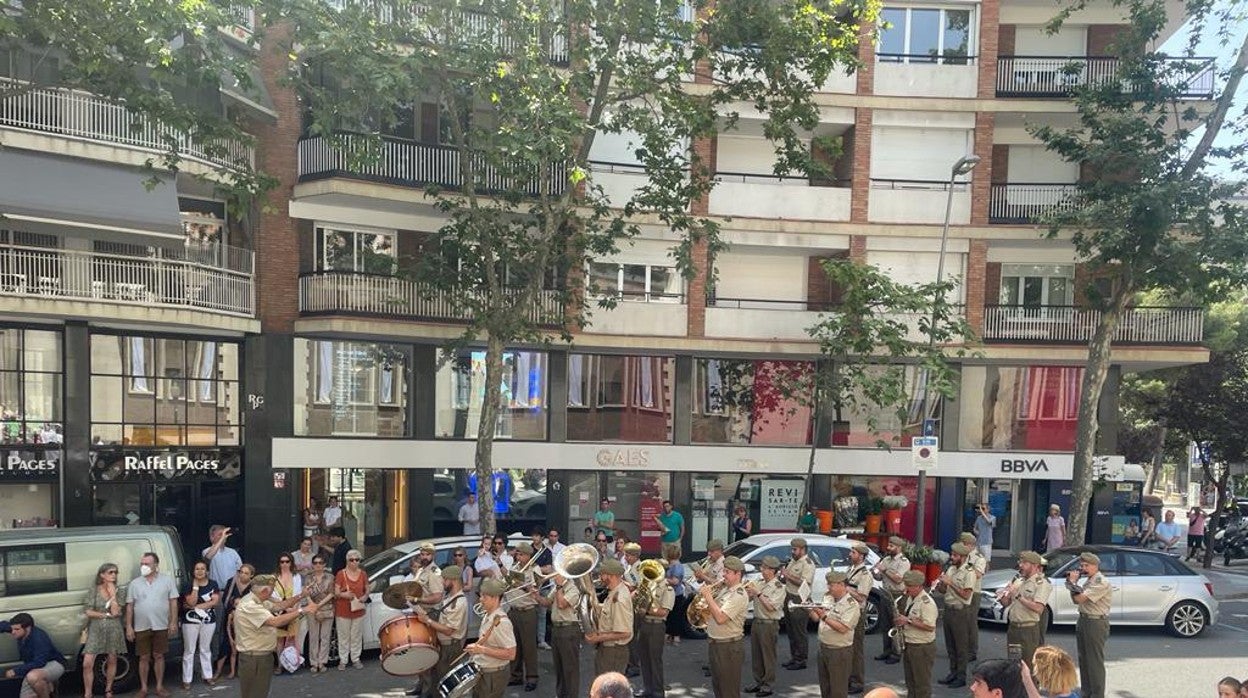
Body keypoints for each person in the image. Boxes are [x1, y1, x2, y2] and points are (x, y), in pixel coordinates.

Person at [233, 575, 317, 698]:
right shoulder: (250, 605)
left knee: (260, 693)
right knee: (255, 694)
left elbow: (279, 606)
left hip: (260, 657)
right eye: (272, 590)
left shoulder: (258, 599)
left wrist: (301, 595)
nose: (273, 594)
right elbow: (276, 622)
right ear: (264, 591)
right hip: (254, 658)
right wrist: (303, 610)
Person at [125, 551, 180, 698]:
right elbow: (129, 606)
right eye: (142, 564)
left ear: (155, 565)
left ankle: (159, 686)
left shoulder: (167, 580)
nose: (143, 566)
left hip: (161, 624)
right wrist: (129, 626)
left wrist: (173, 621)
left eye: (147, 564)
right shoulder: (135, 583)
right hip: (141, 626)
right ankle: (143, 688)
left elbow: (173, 602)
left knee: (159, 656)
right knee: (143, 657)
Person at [411, 565, 468, 698]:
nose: (442, 582)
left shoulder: (458, 603)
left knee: (449, 686)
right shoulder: (449, 597)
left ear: (453, 580)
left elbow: (449, 630)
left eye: (445, 580)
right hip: (443, 645)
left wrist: (428, 621)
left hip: (451, 647)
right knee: (438, 685)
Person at [701, 555, 749, 698]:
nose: (723, 575)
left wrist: (708, 597)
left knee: (728, 690)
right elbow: (712, 610)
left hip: (729, 647)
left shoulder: (739, 594)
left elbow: (721, 618)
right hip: (716, 644)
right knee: (719, 687)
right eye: (724, 571)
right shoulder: (725, 590)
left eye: (727, 572)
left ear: (737, 574)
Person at [1067, 551, 1112, 698]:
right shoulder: (1089, 580)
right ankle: (1086, 692)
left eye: (1086, 565)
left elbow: (1080, 598)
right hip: (1084, 619)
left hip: (1096, 622)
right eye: (1082, 565)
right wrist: (1071, 584)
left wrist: (1073, 583)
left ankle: (1097, 694)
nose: (1083, 568)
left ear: (1095, 566)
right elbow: (1075, 599)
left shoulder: (1100, 581)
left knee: (1094, 661)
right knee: (1084, 660)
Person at [999, 550, 1052, 672]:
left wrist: (1018, 596)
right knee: (1014, 663)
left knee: (1028, 665)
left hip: (1028, 630)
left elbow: (1038, 608)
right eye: (1020, 562)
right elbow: (1007, 603)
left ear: (1034, 566)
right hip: (1014, 629)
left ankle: (1030, 690)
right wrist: (1004, 595)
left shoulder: (1041, 583)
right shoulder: (1019, 581)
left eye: (1024, 563)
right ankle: (1017, 689)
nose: (1020, 565)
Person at [465, 578, 517, 698]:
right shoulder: (489, 615)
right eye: (481, 596)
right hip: (484, 672)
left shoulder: (502, 622)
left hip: (493, 675)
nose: (480, 599)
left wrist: (482, 650)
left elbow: (511, 654)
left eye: (485, 597)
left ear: (495, 598)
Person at [934, 542, 976, 689]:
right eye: (952, 554)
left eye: (955, 555)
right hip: (949, 610)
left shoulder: (969, 572)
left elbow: (966, 595)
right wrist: (941, 584)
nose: (952, 557)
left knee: (961, 646)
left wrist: (950, 583)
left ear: (963, 557)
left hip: (961, 611)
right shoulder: (951, 568)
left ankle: (961, 676)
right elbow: (944, 592)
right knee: (950, 644)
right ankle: (952, 672)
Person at [810, 570, 858, 698]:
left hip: (839, 651)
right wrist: (810, 609)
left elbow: (843, 628)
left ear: (842, 585)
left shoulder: (851, 605)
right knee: (825, 687)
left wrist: (824, 616)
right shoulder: (828, 597)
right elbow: (816, 618)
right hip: (824, 648)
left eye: (831, 585)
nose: (828, 587)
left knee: (838, 690)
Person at [540, 558, 583, 698]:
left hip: (569, 629)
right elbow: (547, 602)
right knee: (559, 666)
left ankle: (571, 695)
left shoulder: (573, 589)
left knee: (569, 667)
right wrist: (534, 594)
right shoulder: (558, 587)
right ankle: (561, 694)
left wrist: (558, 587)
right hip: (557, 629)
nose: (556, 574)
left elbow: (561, 604)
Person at [82, 562, 126, 698]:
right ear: (102, 575)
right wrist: (105, 615)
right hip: (96, 629)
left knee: (112, 659)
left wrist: (113, 595)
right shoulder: (94, 590)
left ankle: (108, 689)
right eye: (110, 572)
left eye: (115, 572)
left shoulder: (120, 591)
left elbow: (116, 612)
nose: (114, 575)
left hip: (113, 629)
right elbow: (88, 611)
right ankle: (88, 692)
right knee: (87, 663)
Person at [636, 549, 674, 698]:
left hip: (656, 626)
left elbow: (663, 612)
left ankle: (658, 691)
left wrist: (645, 609)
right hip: (645, 624)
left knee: (655, 660)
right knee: (644, 658)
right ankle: (648, 689)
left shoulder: (668, 589)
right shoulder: (650, 585)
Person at [745, 556, 785, 697]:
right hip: (757, 621)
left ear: (772, 570)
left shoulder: (779, 587)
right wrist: (748, 592)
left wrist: (758, 593)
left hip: (769, 623)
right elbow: (748, 597)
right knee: (757, 655)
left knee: (768, 656)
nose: (761, 570)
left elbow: (771, 607)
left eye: (765, 568)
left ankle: (768, 685)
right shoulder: (759, 581)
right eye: (762, 567)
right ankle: (759, 682)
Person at [1, 613, 66, 698]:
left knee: (33, 677)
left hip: (54, 663)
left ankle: (48, 688)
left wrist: (15, 671)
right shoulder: (19, 629)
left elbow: (39, 662)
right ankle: (48, 686)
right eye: (12, 629)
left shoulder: (39, 638)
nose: (13, 632)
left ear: (27, 628)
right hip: (35, 667)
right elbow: (4, 625)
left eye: (16, 629)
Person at [588, 558, 634, 675]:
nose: (600, 578)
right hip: (609, 649)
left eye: (603, 574)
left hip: (613, 652)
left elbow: (625, 632)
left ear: (612, 576)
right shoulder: (614, 592)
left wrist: (596, 638)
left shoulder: (619, 598)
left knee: (609, 690)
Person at [505, 542, 541, 691]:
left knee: (529, 646)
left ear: (528, 555)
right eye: (517, 554)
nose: (518, 557)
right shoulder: (514, 568)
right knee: (515, 645)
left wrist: (523, 584)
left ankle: (532, 677)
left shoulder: (535, 569)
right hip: (514, 610)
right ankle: (516, 675)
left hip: (527, 610)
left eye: (521, 554)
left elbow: (536, 590)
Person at [896, 570, 937, 698]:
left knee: (921, 684)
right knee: (911, 682)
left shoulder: (927, 603)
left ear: (919, 586)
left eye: (909, 586)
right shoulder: (911, 598)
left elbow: (930, 627)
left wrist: (907, 620)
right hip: (910, 644)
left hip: (922, 647)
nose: (906, 588)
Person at [181, 560, 221, 689]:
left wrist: (195, 607)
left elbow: (214, 602)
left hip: (209, 621)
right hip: (190, 622)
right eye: (197, 569)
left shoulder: (213, 584)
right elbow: (191, 601)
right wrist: (195, 587)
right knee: (189, 650)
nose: (199, 571)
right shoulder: (187, 585)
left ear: (207, 571)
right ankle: (187, 679)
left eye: (202, 569)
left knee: (205, 649)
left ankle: (208, 676)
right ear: (193, 571)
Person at [871, 536, 910, 665]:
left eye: (891, 546)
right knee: (885, 623)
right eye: (889, 545)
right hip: (886, 593)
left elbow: (898, 579)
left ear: (899, 548)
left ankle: (896, 652)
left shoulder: (904, 562)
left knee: (896, 624)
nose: (888, 548)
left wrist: (884, 570)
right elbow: (879, 576)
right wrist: (875, 572)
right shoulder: (887, 559)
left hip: (897, 594)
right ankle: (886, 650)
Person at [781, 537, 816, 671]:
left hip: (799, 598)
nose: (792, 552)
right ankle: (794, 656)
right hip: (789, 595)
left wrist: (788, 575)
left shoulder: (807, 563)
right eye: (792, 549)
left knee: (799, 630)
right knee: (791, 629)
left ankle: (801, 659)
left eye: (795, 549)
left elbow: (805, 583)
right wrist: (783, 577)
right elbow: (787, 579)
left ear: (802, 549)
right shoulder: (793, 562)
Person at [216, 563, 255, 680]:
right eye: (241, 572)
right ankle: (218, 671)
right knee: (226, 645)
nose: (242, 575)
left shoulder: (253, 586)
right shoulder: (232, 582)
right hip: (231, 617)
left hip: (247, 620)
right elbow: (225, 599)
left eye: (246, 573)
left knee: (247, 647)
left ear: (251, 576)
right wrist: (234, 605)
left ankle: (246, 671)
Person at [844, 542, 873, 694]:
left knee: (856, 649)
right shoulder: (851, 569)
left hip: (857, 612)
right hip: (847, 611)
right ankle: (849, 678)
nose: (850, 555)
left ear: (861, 556)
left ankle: (857, 681)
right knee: (848, 647)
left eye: (853, 552)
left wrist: (846, 590)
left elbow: (862, 597)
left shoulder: (865, 575)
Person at [270, 552, 306, 674]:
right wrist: (285, 608)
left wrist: (293, 609)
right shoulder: (273, 577)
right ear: (279, 563)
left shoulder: (296, 577)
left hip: (294, 609)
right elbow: (272, 596)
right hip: (280, 611)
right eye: (282, 562)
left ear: (291, 563)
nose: (285, 564)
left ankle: (292, 662)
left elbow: (298, 594)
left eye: (287, 561)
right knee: (280, 639)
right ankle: (280, 664)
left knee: (292, 638)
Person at [333, 549, 369, 670]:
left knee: (356, 636)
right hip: (343, 609)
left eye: (357, 560)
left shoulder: (363, 574)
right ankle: (343, 659)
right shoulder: (340, 574)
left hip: (358, 609)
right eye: (351, 560)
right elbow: (336, 592)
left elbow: (367, 588)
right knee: (343, 636)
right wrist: (345, 595)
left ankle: (355, 658)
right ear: (347, 561)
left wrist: (365, 596)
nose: (354, 562)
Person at [302, 554, 337, 673]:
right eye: (315, 563)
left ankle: (322, 661)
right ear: (312, 565)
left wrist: (319, 605)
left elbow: (332, 594)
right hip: (312, 608)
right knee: (313, 636)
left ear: (324, 565)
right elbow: (305, 593)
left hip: (327, 608)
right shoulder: (308, 578)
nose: (317, 565)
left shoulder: (330, 577)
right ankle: (314, 662)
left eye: (320, 563)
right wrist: (313, 605)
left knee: (325, 637)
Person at [959, 531, 987, 661]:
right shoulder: (962, 556)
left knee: (970, 621)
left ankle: (972, 650)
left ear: (970, 545)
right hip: (961, 590)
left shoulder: (978, 558)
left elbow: (978, 574)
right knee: (962, 621)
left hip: (973, 592)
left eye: (963, 544)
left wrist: (965, 572)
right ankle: (962, 648)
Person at [622, 542, 644, 678]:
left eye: (628, 555)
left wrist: (622, 582)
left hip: (636, 606)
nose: (625, 557)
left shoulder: (639, 568)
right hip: (630, 605)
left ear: (635, 556)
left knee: (632, 637)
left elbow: (637, 587)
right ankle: (630, 663)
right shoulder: (630, 567)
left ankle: (634, 665)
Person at [203, 525, 243, 591]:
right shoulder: (206, 551)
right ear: (212, 537)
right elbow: (208, 557)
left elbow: (239, 571)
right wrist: (222, 538)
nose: (224, 536)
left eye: (224, 534)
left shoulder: (233, 552)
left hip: (231, 592)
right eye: (220, 534)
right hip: (215, 591)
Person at [662, 543, 688, 645]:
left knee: (675, 615)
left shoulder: (677, 566)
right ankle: (669, 634)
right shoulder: (671, 565)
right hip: (670, 594)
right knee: (669, 615)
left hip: (676, 595)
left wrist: (663, 579)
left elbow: (675, 581)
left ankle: (676, 636)